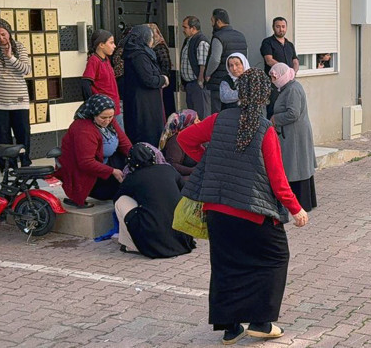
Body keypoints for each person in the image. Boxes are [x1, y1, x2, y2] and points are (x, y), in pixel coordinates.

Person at [178, 68, 308, 344]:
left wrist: (209, 161)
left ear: (239, 92)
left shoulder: (219, 119)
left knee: (227, 266)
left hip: (217, 211)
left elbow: (184, 139)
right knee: (275, 259)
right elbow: (277, 178)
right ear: (265, 95)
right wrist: (296, 209)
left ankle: (231, 328)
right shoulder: (265, 129)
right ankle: (261, 322)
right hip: (253, 213)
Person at [115, 142, 196, 258]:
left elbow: (118, 197)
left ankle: (130, 244)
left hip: (154, 236)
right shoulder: (169, 170)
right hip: (182, 235)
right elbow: (185, 190)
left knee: (121, 201)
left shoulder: (134, 177)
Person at [55, 95, 131, 208]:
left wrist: (136, 157)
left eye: (110, 117)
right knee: (124, 187)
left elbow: (124, 143)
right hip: (87, 174)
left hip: (105, 162)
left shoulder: (110, 121)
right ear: (93, 113)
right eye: (103, 117)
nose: (107, 120)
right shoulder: (83, 129)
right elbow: (86, 162)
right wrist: (112, 171)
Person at [270, 63, 318, 212]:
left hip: (295, 134)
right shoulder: (288, 88)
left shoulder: (292, 89)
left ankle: (301, 203)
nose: (272, 80)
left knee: (297, 166)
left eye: (274, 77)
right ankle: (302, 202)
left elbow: (293, 113)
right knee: (298, 165)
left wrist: (275, 119)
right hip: (293, 133)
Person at [122, 25, 169, 147]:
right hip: (144, 104)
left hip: (144, 101)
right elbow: (148, 79)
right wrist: (163, 79)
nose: (153, 40)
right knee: (147, 134)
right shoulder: (139, 55)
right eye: (151, 37)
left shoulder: (137, 53)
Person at [0, 18, 32, 169]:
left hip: (19, 100)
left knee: (22, 134)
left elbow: (26, 70)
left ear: (9, 33)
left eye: (3, 34)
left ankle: (25, 163)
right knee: (2, 137)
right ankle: (7, 167)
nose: (1, 38)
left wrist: (10, 57)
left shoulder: (19, 47)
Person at [206, 8, 248, 114]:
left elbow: (215, 59)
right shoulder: (241, 36)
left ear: (218, 21)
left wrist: (208, 74)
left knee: (217, 115)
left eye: (212, 20)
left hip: (219, 81)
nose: (211, 24)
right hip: (240, 80)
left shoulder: (218, 37)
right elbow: (245, 55)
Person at [81, 29, 123, 129]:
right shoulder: (94, 60)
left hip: (115, 108)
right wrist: (91, 104)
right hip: (104, 111)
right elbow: (85, 83)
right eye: (111, 43)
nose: (114, 46)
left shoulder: (106, 59)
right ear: (101, 45)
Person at [261, 17, 299, 117]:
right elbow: (269, 60)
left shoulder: (290, 45)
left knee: (289, 108)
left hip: (289, 83)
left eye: (283, 26)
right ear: (273, 27)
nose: (281, 29)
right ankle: (271, 132)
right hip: (274, 83)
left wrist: (293, 73)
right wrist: (285, 71)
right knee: (273, 109)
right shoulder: (267, 42)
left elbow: (295, 61)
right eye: (278, 26)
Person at [179, 16, 211, 119]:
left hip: (197, 84)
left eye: (185, 27)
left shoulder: (200, 41)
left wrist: (200, 81)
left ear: (193, 28)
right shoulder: (188, 40)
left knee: (201, 114)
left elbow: (203, 64)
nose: (183, 30)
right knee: (192, 115)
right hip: (189, 84)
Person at [158, 109, 200, 183]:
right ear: (187, 123)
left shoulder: (192, 138)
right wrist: (193, 170)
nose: (200, 122)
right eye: (196, 120)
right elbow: (172, 165)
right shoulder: (175, 142)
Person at [146, 23, 176, 118]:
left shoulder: (159, 46)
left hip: (163, 83)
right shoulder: (150, 47)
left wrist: (162, 79)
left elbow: (165, 64)